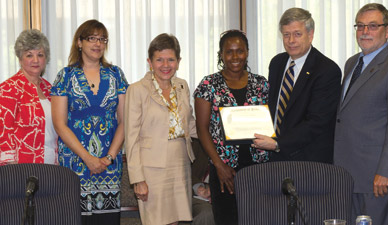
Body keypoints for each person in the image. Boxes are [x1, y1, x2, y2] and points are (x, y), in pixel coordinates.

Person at [334, 3, 388, 225]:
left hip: (378, 181)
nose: (364, 32)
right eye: (360, 26)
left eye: (373, 26)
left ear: (387, 30)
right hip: (349, 177)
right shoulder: (352, 63)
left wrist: (386, 173)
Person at [51, 19, 128, 224]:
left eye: (102, 39)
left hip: (108, 165)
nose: (98, 44)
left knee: (107, 220)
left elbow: (125, 121)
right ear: (79, 42)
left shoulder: (116, 75)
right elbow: (59, 124)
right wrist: (87, 158)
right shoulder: (65, 76)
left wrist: (109, 157)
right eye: (92, 38)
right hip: (75, 162)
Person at [194, 30, 270, 225]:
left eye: (240, 51)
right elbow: (202, 129)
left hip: (259, 169)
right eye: (229, 52)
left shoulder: (261, 84)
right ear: (221, 54)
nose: (235, 57)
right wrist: (219, 166)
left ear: (247, 52)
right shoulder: (208, 85)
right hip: (224, 170)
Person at [252, 8, 342, 163]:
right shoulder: (277, 63)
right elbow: (274, 107)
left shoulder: (327, 70)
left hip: (307, 159)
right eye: (286, 35)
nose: (291, 40)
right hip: (275, 157)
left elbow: (317, 122)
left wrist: (278, 143)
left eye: (297, 34)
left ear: (310, 35)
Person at [125, 33, 196, 225]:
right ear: (150, 61)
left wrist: (218, 135)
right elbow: (131, 137)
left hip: (180, 163)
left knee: (177, 220)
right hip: (151, 168)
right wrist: (137, 179)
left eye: (171, 59)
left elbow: (190, 124)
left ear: (178, 61)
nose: (166, 65)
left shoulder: (182, 85)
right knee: (156, 221)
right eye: (159, 60)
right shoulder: (137, 90)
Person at [0, 29, 57, 166]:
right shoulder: (8, 89)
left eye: (40, 54)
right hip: (21, 169)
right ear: (20, 58)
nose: (35, 60)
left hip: (52, 166)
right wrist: (12, 173)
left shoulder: (51, 89)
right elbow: (2, 136)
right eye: (29, 55)